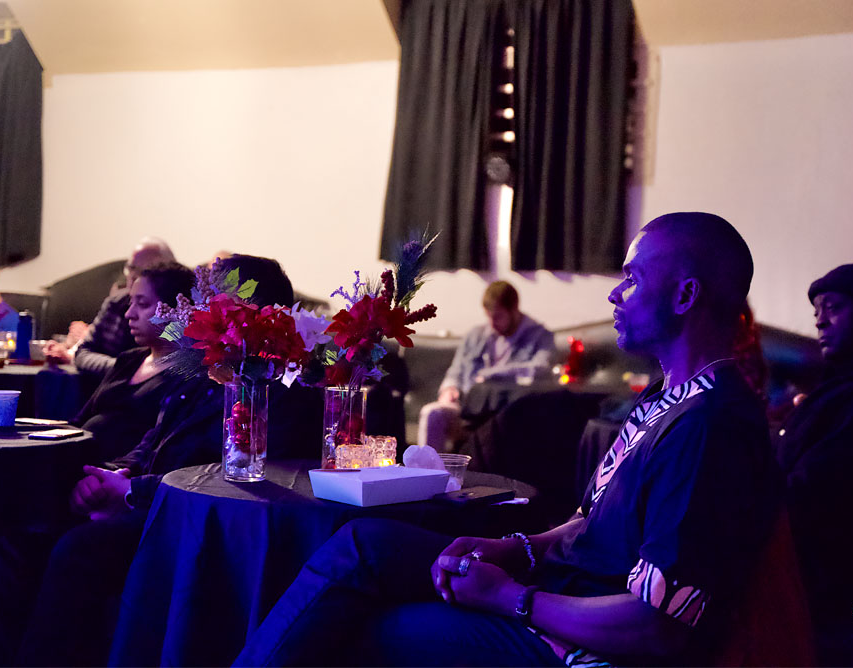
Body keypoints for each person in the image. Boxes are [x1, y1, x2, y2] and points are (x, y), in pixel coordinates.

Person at [233, 212, 782, 667]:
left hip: (581, 644)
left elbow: (657, 626)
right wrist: (514, 548)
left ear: (686, 295)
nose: (616, 292)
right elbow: (592, 522)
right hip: (559, 588)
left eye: (634, 278)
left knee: (368, 628)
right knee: (365, 545)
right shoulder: (669, 394)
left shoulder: (710, 425)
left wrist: (511, 597)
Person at [16, 255, 321, 666]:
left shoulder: (281, 384)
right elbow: (153, 439)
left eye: (209, 299)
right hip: (155, 498)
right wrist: (113, 476)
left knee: (78, 548)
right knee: (19, 521)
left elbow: (235, 477)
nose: (197, 309)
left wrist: (130, 494)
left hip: (203, 522)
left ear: (247, 310)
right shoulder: (208, 367)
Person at [771, 262, 853, 665]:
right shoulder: (839, 385)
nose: (820, 321)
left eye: (834, 307)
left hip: (820, 585)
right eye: (816, 310)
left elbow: (813, 495)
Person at [71, 262, 195, 462]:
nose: (129, 314)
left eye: (143, 304)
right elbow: (80, 421)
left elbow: (160, 452)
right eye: (131, 303)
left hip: (117, 479)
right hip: (78, 461)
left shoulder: (190, 376)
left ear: (176, 310)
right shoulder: (129, 359)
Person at [418, 281, 554, 451]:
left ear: (514, 310)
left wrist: (492, 374)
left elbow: (542, 368)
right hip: (467, 409)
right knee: (432, 413)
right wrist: (449, 388)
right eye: (488, 316)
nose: (491, 323)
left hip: (506, 412)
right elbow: (455, 370)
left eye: (497, 316)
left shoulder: (540, 336)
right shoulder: (476, 335)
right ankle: (426, 473)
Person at [44, 237, 175, 376]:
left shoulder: (174, 312)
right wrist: (124, 368)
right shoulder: (116, 303)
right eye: (131, 268)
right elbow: (82, 353)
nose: (134, 276)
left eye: (145, 271)